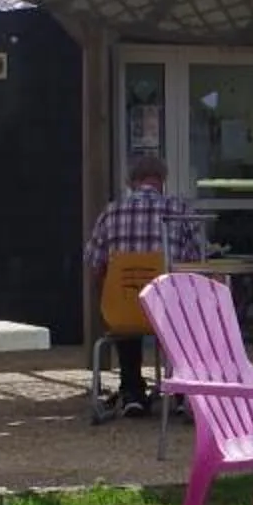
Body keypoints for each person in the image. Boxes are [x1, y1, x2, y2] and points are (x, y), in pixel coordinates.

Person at [84, 154, 205, 417]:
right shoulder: (179, 210)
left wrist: (104, 296)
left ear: (131, 181)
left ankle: (132, 392)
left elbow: (94, 264)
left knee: (126, 314)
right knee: (187, 309)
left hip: (124, 310)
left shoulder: (111, 211)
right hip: (169, 310)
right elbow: (195, 260)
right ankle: (183, 392)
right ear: (162, 179)